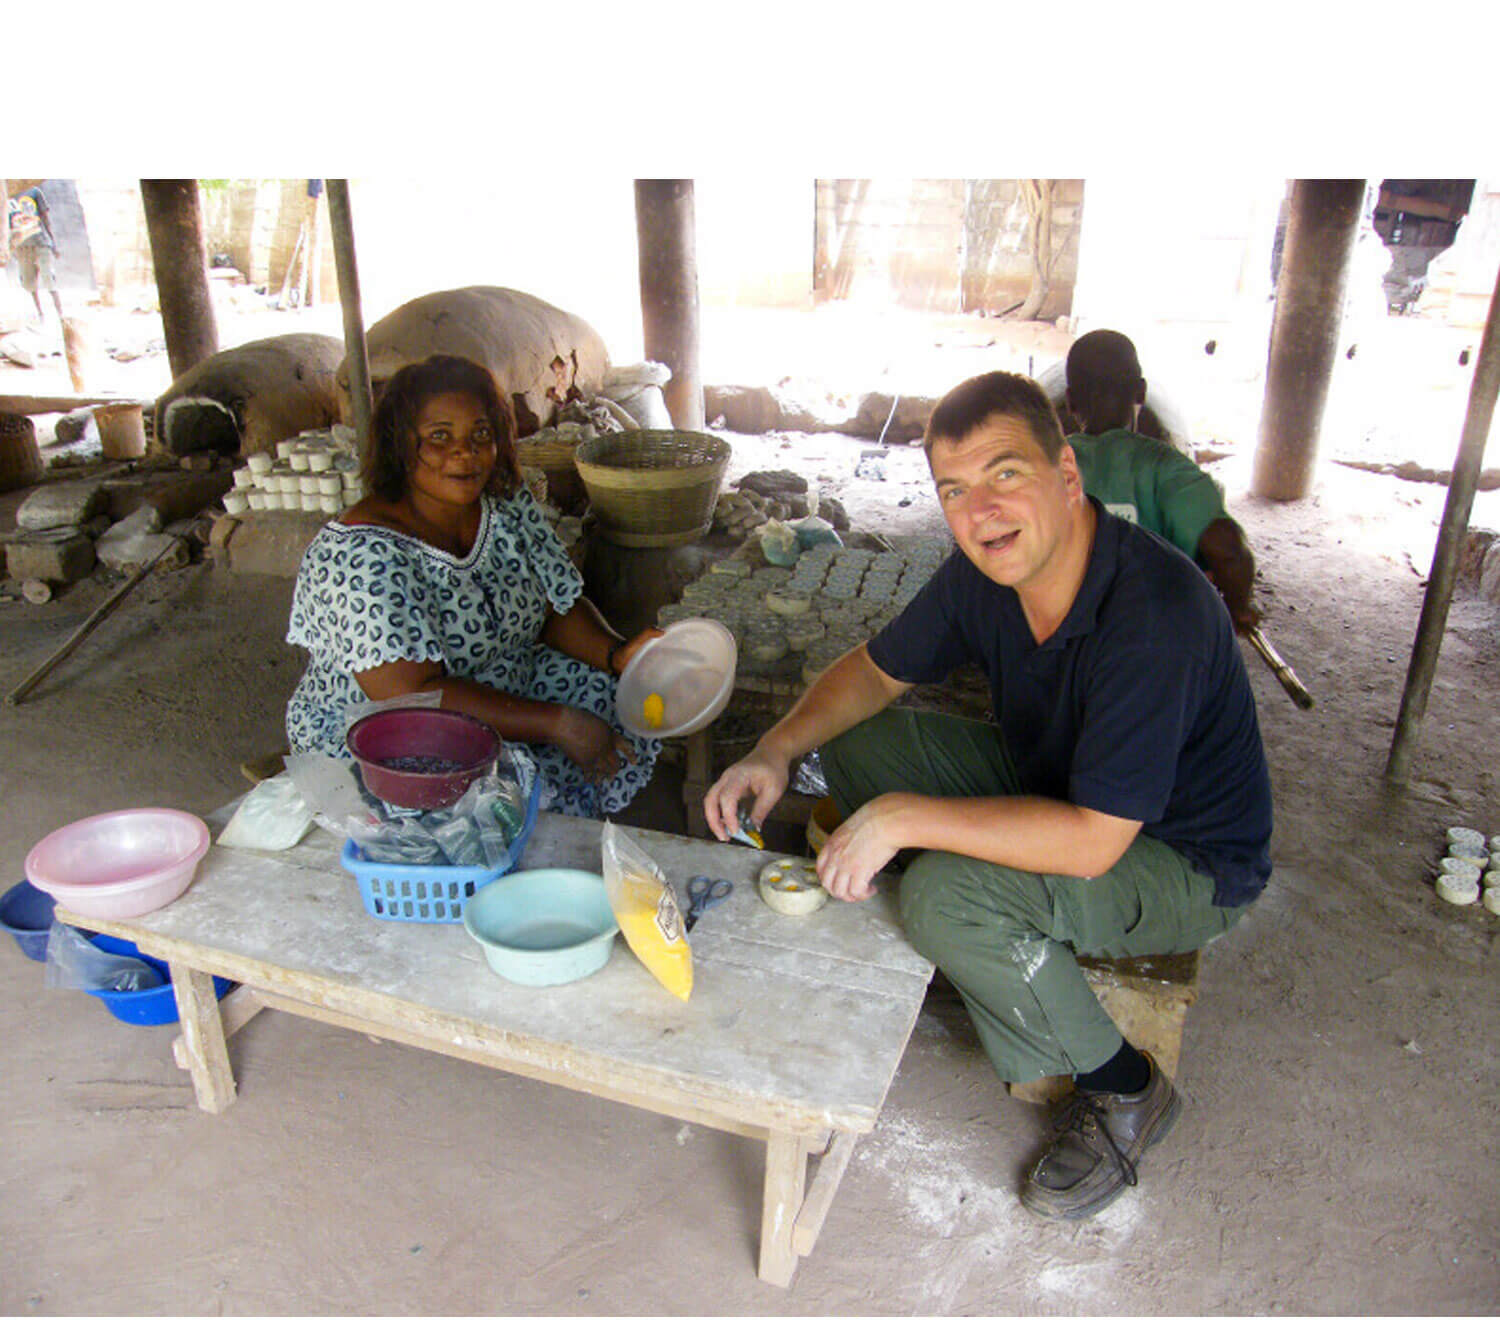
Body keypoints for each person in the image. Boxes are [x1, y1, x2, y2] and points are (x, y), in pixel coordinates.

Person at [704, 371, 1273, 1222]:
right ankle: (979, 942)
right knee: (859, 745)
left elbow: (1092, 843)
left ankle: (1124, 1092)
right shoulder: (986, 573)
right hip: (1065, 790)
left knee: (944, 894)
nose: (981, 512)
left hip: (1178, 857)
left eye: (1006, 474)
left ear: (1068, 477)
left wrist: (904, 820)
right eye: (956, 490)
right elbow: (874, 670)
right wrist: (775, 748)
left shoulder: (1152, 615)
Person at [286, 354, 660, 816]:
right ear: (401, 444)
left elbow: (552, 604)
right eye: (439, 437)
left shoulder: (502, 505)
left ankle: (586, 822)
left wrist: (615, 655)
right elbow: (412, 695)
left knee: (623, 699)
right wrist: (558, 723)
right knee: (479, 803)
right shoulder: (361, 556)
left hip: (503, 682)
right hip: (394, 728)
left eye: (480, 434)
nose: (464, 452)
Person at [1064, 328, 1260, 632]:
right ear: (1141, 392)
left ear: (1071, 402)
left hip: (1066, 637)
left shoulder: (1048, 466)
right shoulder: (1169, 469)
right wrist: (1239, 608)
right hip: (1156, 639)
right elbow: (1227, 550)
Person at [7, 186, 64, 330]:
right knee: (29, 283)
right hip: (22, 247)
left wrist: (53, 243)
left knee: (49, 279)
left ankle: (61, 315)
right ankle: (40, 314)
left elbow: (45, 218)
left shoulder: (34, 191)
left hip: (41, 242)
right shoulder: (6, 194)